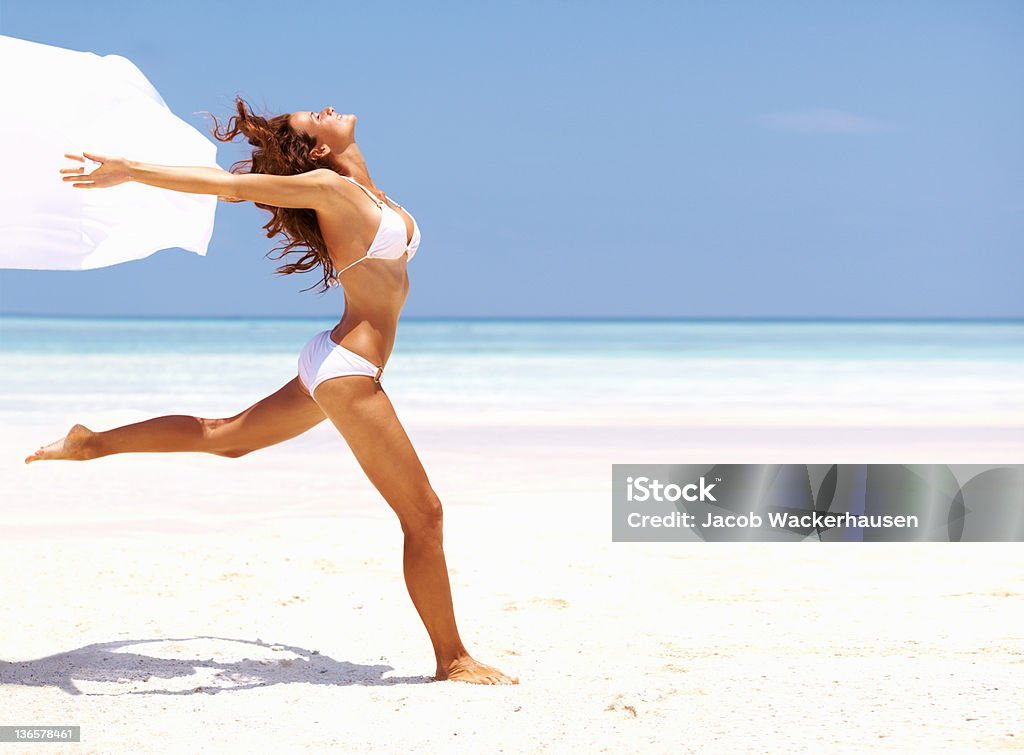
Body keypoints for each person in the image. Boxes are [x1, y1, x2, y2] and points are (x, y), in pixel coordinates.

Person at [24, 96, 518, 686]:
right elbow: (229, 188)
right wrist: (132, 170)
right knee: (424, 515)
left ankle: (93, 443)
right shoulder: (327, 188)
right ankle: (452, 659)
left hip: (334, 359)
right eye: (314, 116)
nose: (325, 107)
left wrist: (346, 163)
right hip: (348, 372)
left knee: (229, 438)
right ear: (316, 148)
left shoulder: (359, 188)